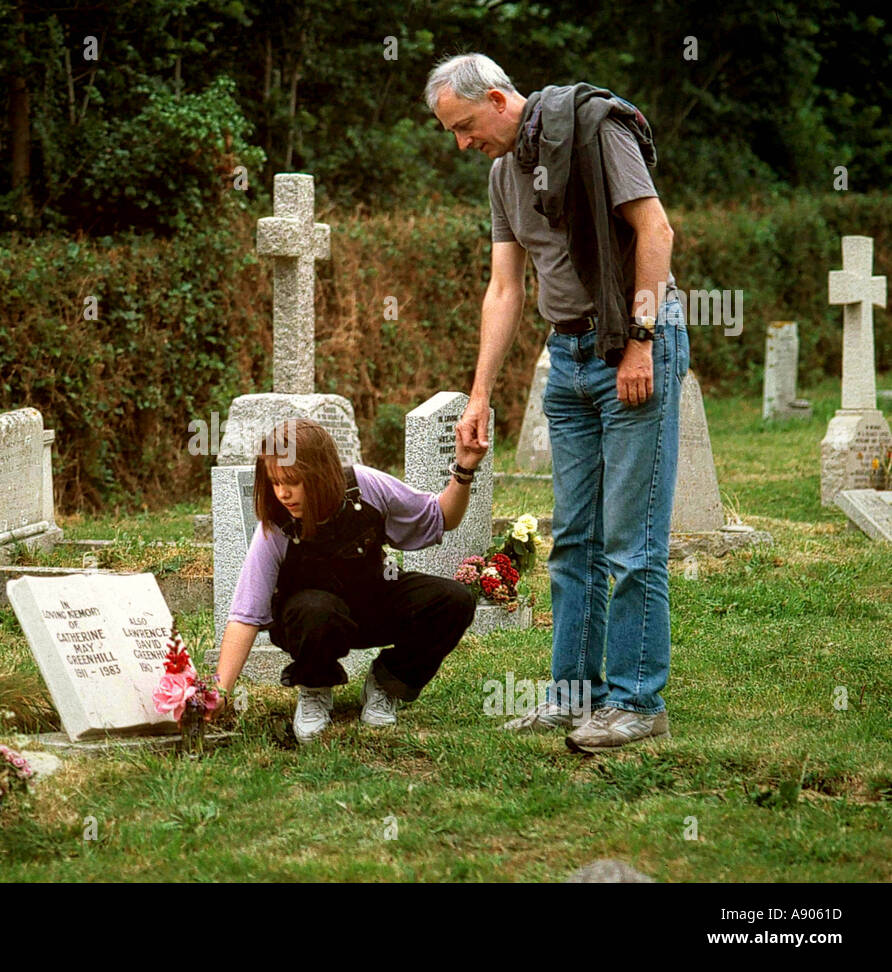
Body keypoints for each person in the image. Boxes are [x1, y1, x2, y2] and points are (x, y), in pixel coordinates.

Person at [426, 53, 688, 753]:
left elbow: (655, 231)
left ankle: (638, 703)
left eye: (464, 125)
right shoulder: (502, 175)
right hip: (567, 361)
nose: (461, 142)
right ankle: (573, 697)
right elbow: (505, 290)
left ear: (501, 99)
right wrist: (480, 396)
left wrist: (639, 341)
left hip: (630, 347)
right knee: (574, 542)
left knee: (631, 546)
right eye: (450, 132)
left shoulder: (598, 130)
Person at [214, 418, 486, 744]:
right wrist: (219, 693)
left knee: (454, 599)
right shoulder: (276, 527)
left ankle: (388, 683)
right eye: (274, 482)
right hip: (310, 622)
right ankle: (315, 688)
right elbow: (245, 615)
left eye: (293, 482)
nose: (283, 493)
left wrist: (464, 470)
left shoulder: (365, 486)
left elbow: (441, 517)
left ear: (321, 474)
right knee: (315, 609)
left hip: (370, 604)